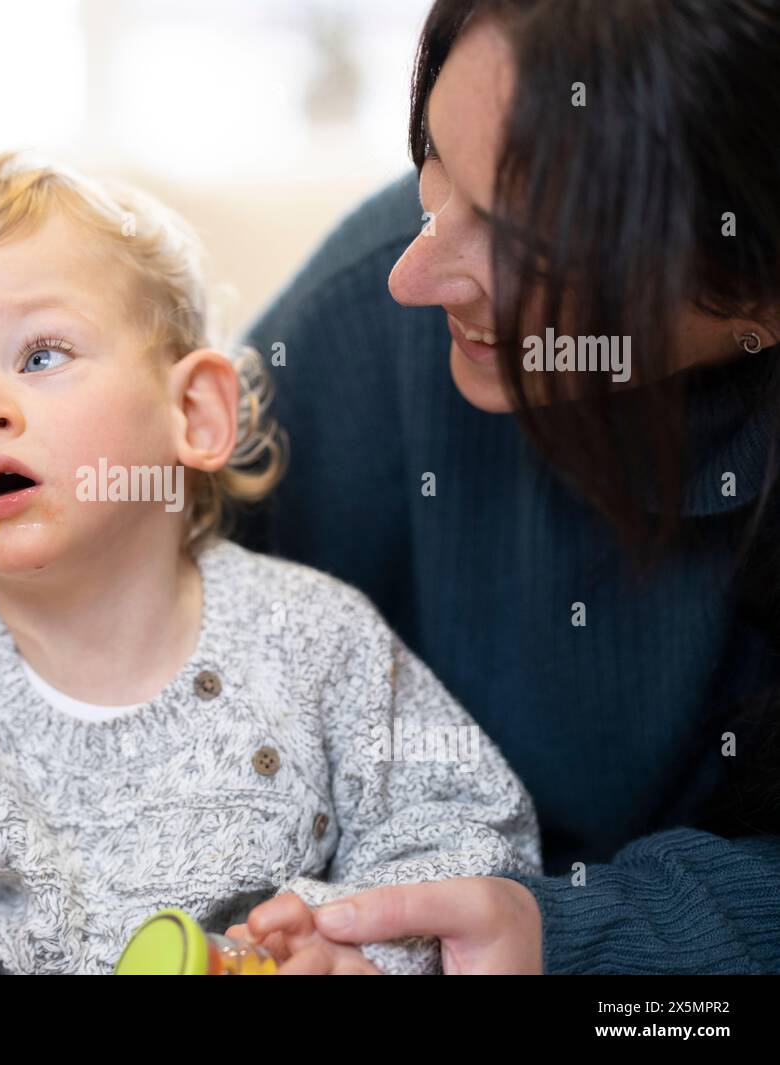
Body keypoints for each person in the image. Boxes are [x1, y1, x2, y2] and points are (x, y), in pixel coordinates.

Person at [0, 151, 540, 975]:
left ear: (196, 413)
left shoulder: (312, 634)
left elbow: (464, 825)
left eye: (40, 355)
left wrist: (352, 942)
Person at [229, 0, 780, 973]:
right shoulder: (359, 314)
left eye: (526, 244)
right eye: (433, 159)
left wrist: (567, 937)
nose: (414, 272)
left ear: (752, 288)